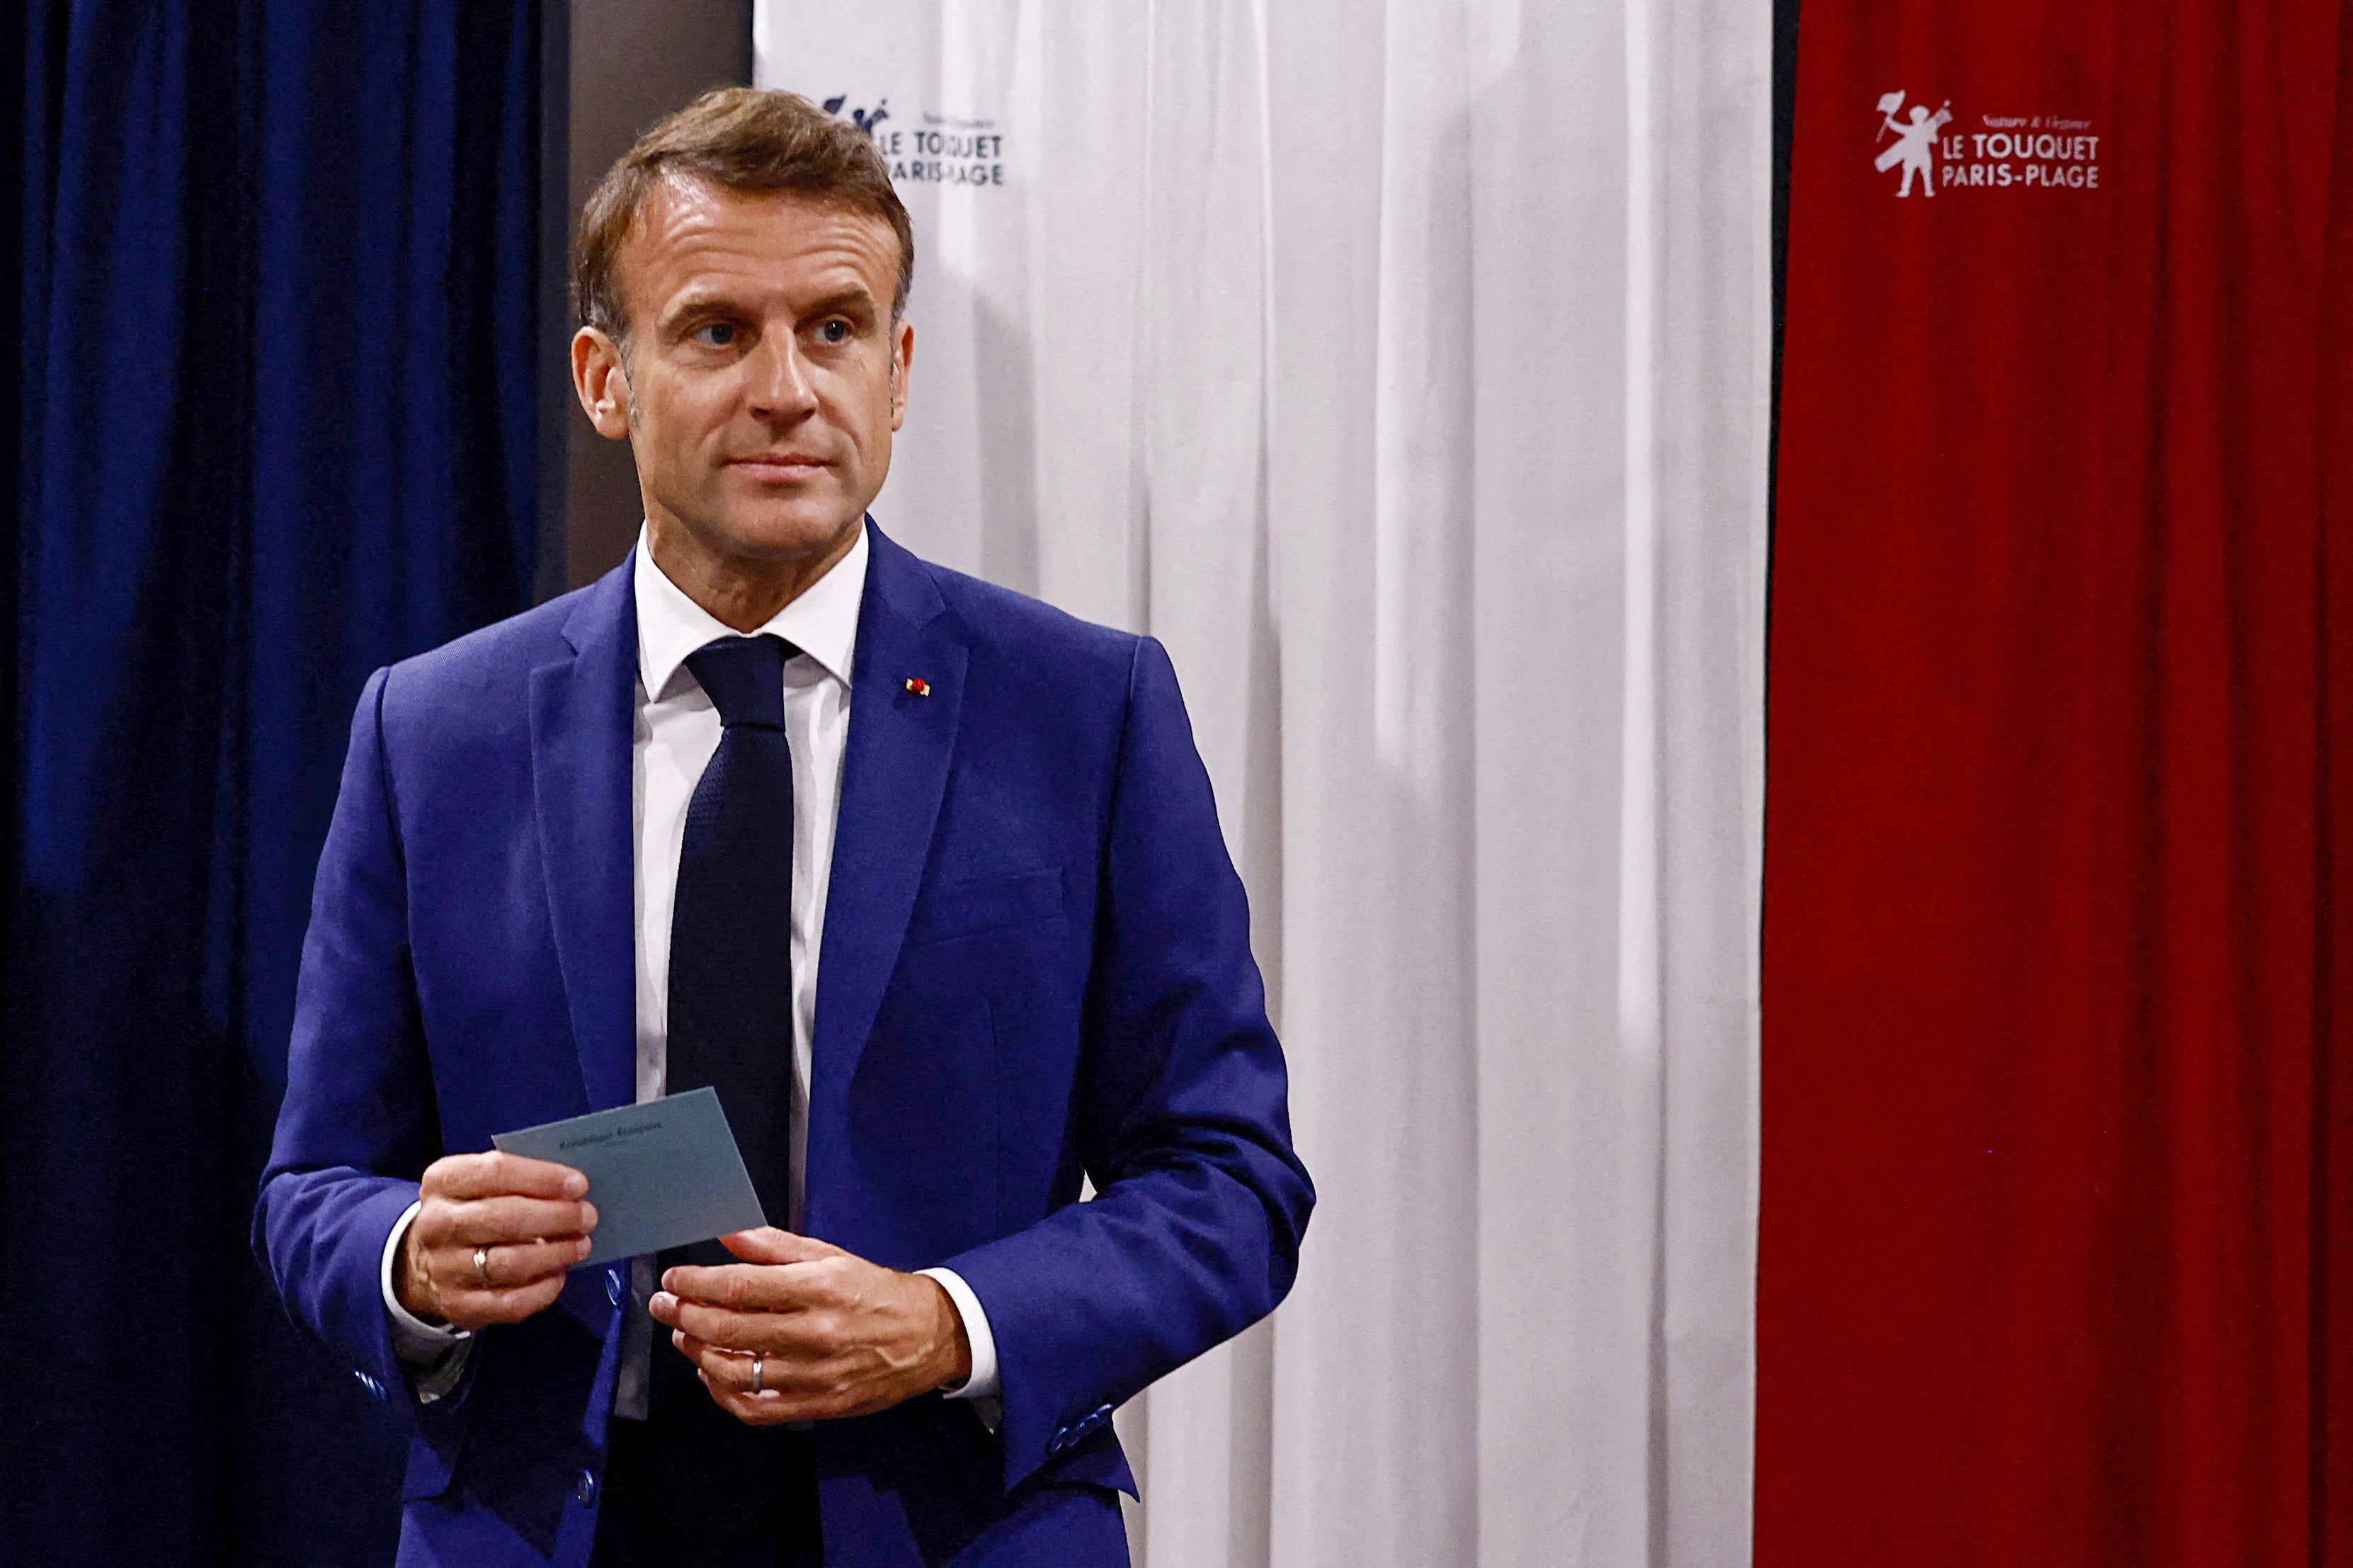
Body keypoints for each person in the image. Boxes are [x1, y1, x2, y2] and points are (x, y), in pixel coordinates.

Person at [254, 86, 1311, 1568]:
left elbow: (1232, 1181)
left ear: (899, 370)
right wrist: (412, 1261)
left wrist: (948, 1324)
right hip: (546, 1524)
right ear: (602, 378)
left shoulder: (1088, 713)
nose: (787, 387)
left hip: (952, 1519)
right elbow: (314, 1187)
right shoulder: (432, 733)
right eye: (715, 331)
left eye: (833, 328)